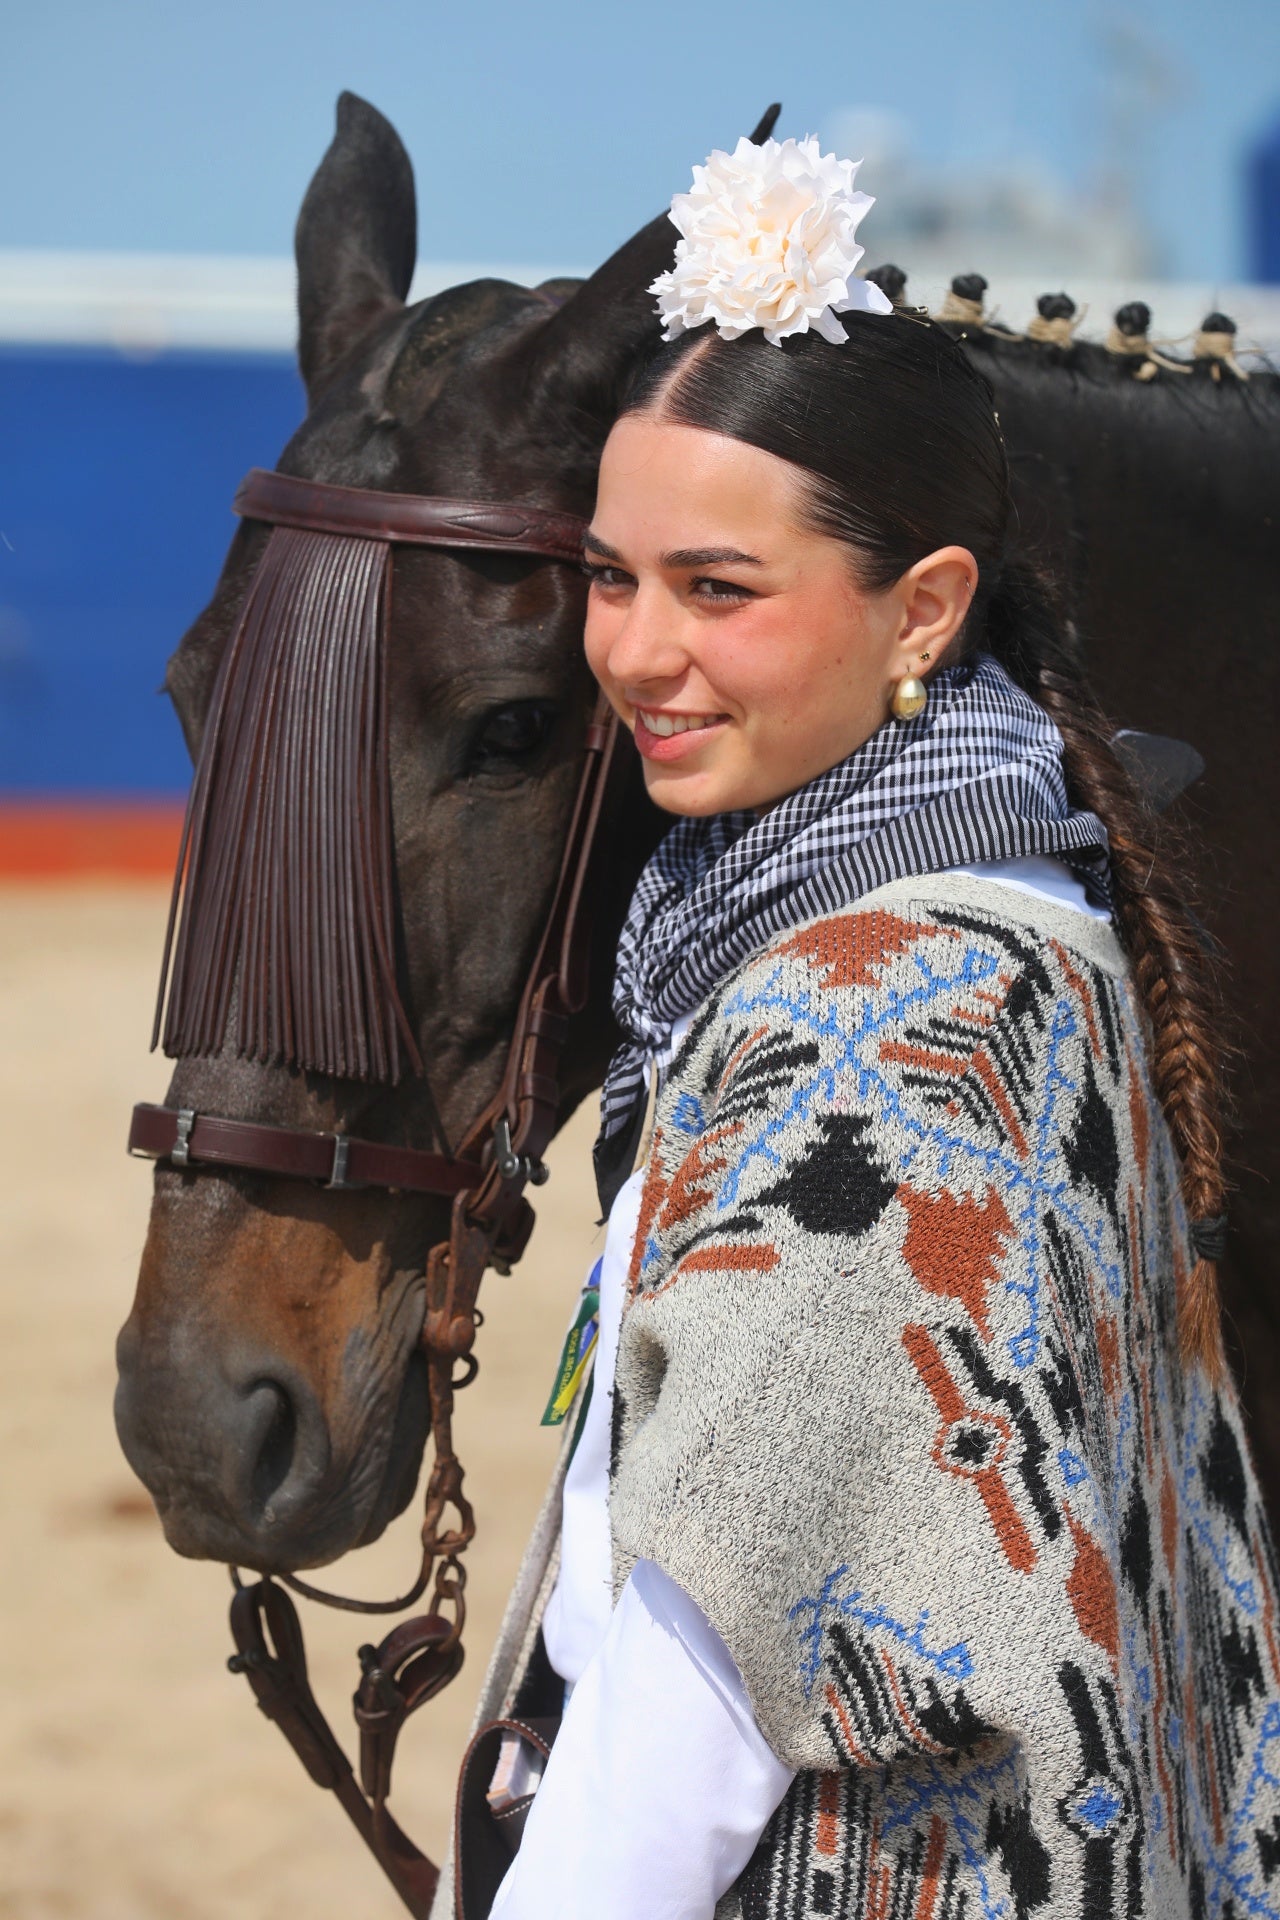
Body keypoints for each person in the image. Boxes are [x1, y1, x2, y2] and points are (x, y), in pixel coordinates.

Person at [448, 135, 1280, 1920]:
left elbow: (700, 1681)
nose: (639, 654)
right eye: (612, 577)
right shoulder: (1015, 909)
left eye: (719, 589)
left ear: (923, 609)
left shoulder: (872, 1022)